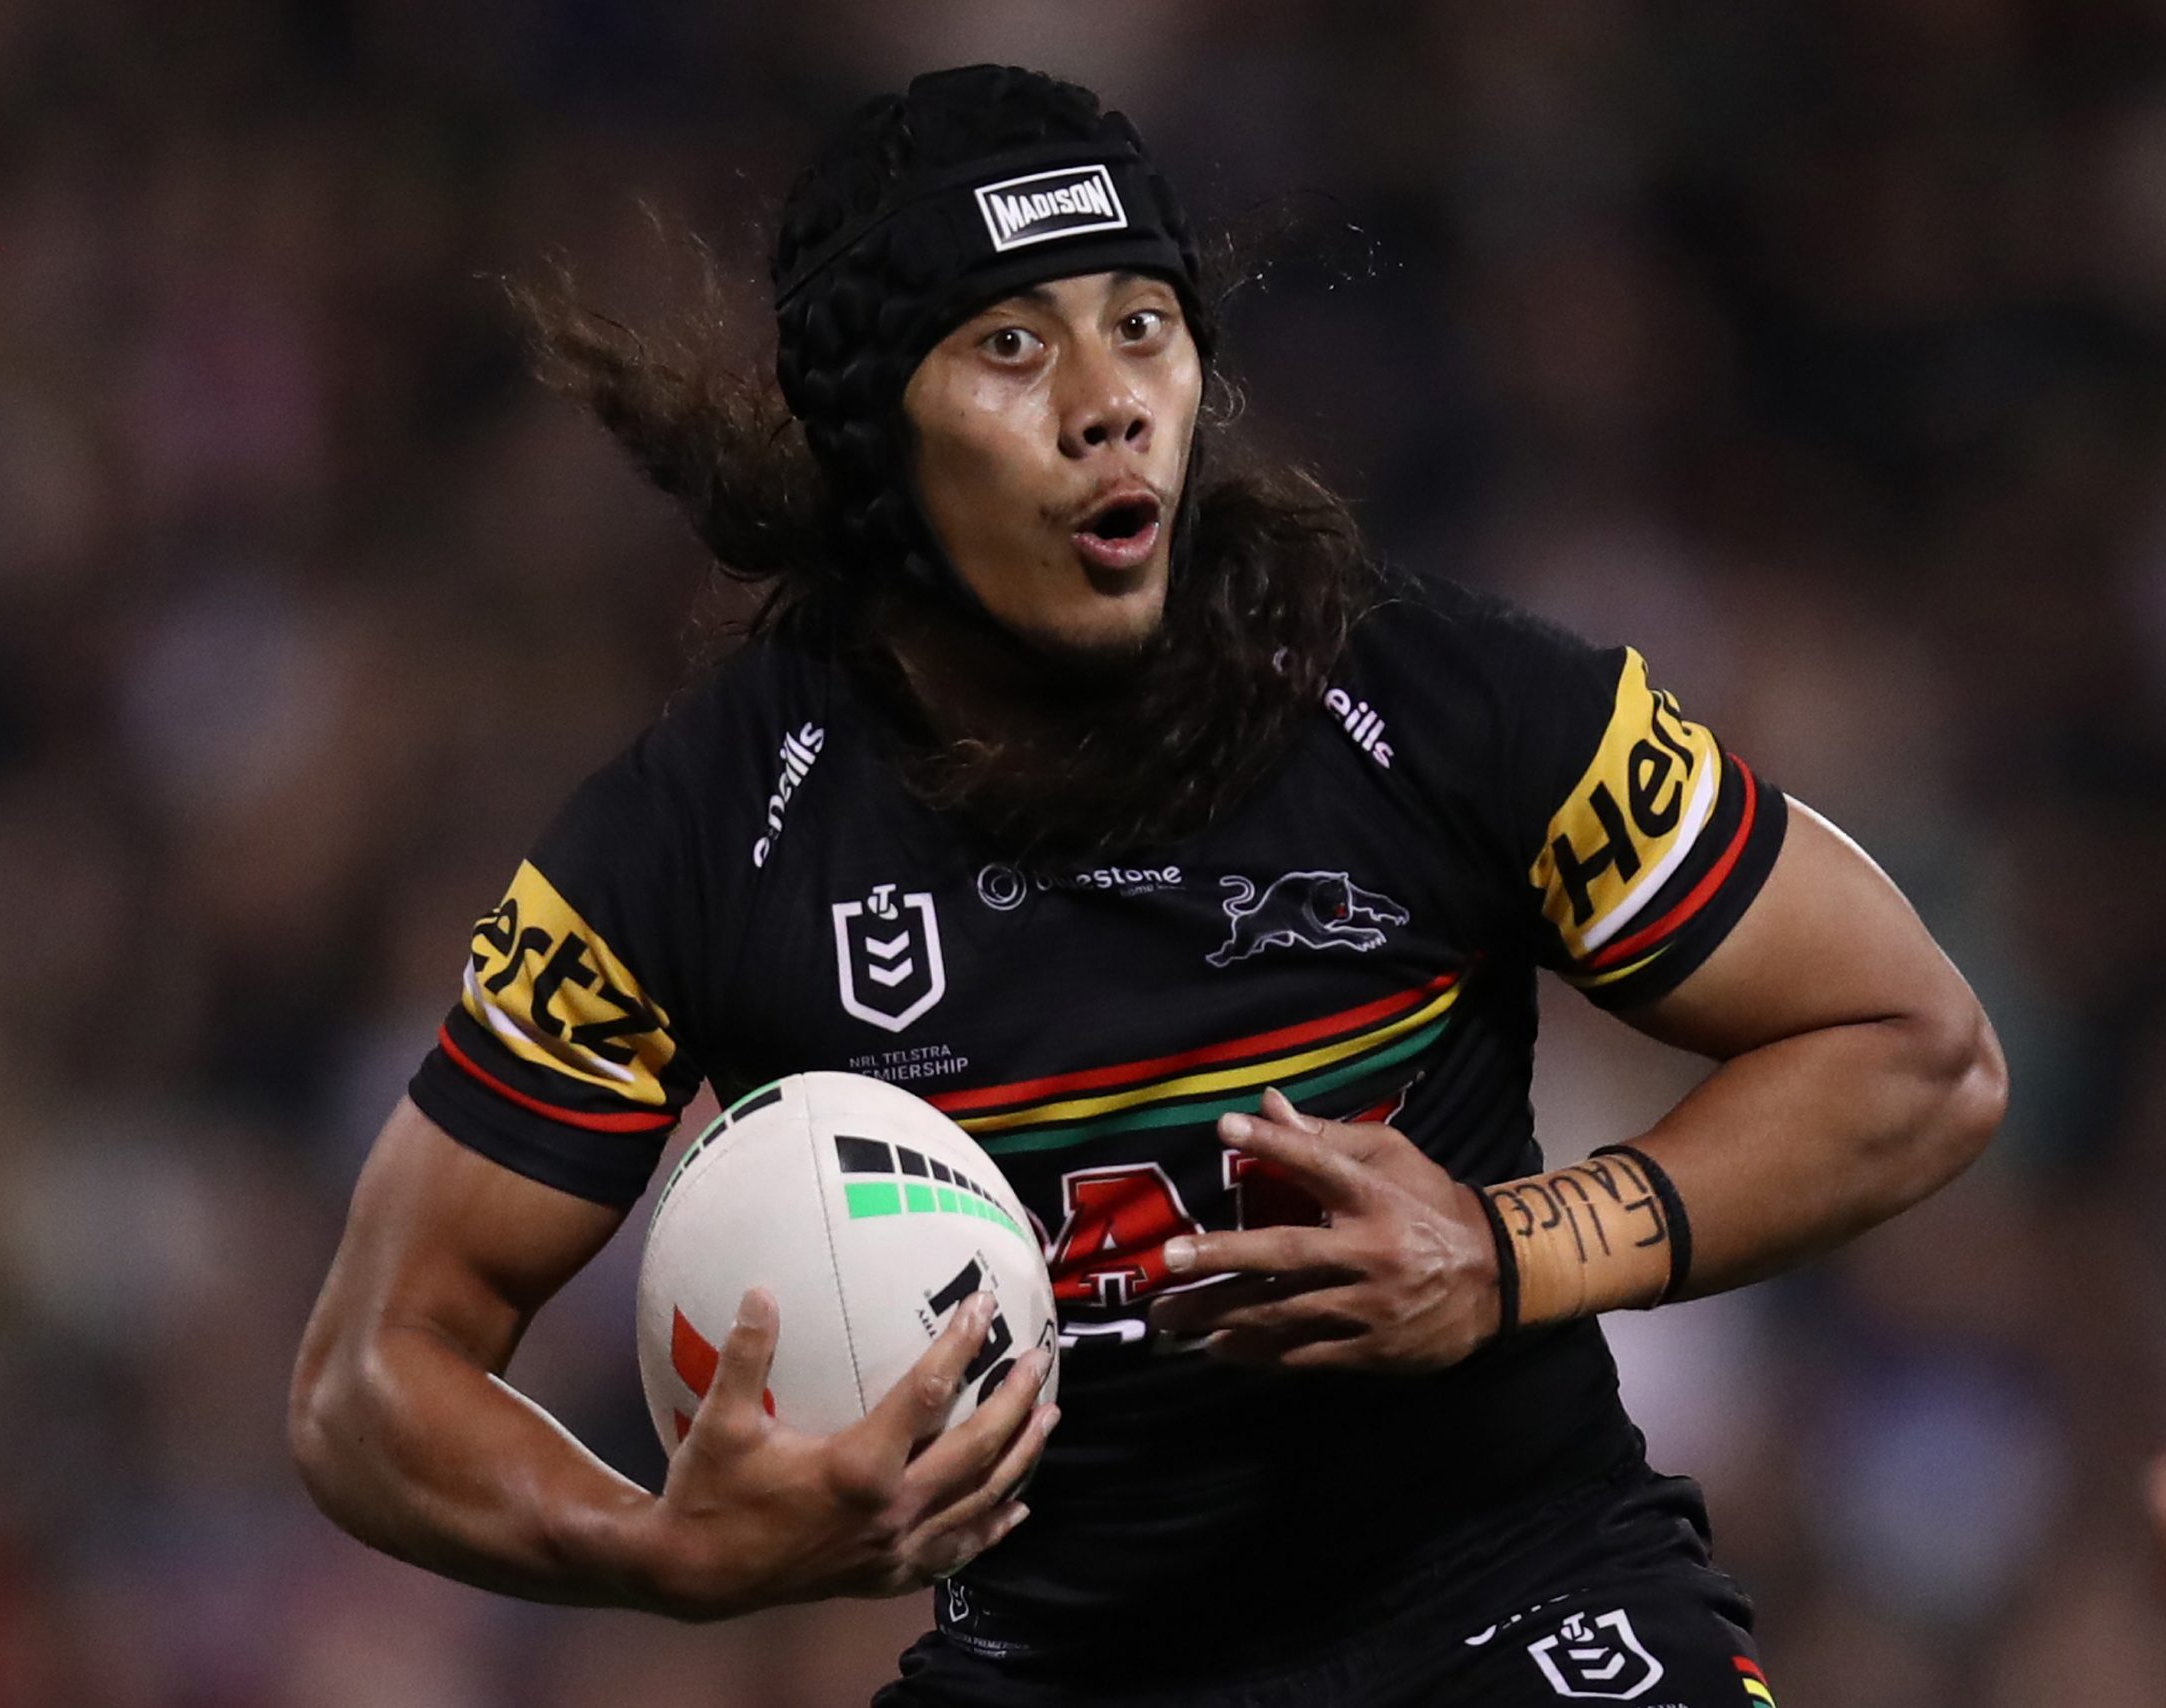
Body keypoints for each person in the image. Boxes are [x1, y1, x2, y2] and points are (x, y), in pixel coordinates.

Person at [288, 65, 2007, 1707]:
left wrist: (1510, 1250)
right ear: (873, 436)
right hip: (1057, 1676)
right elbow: (373, 1376)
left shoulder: (1435, 701)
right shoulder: (700, 837)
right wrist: (663, 1548)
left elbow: (1916, 1047)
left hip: (1525, 1603)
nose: (1108, 397)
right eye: (1014, 345)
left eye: (1144, 324)